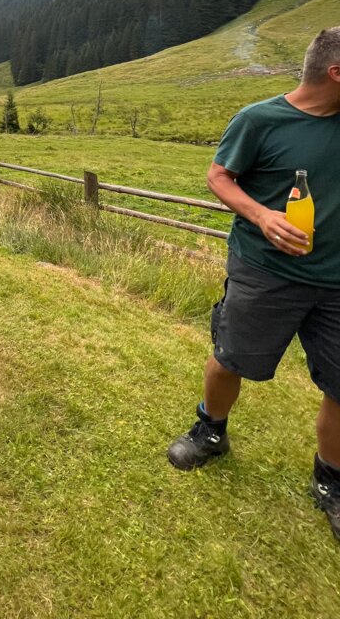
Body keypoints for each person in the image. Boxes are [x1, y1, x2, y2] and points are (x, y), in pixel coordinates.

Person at [166, 27, 340, 541]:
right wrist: (262, 216)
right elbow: (219, 176)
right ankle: (210, 430)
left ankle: (331, 480)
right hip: (265, 272)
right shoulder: (261, 119)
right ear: (336, 73)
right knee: (231, 358)